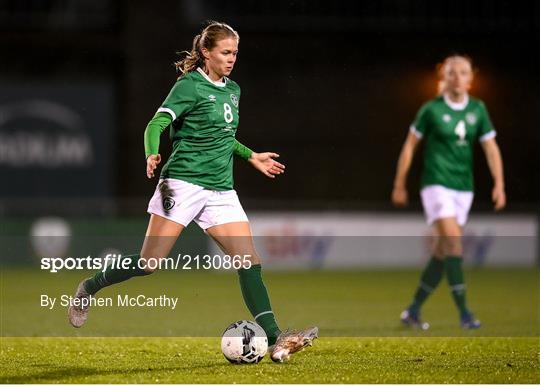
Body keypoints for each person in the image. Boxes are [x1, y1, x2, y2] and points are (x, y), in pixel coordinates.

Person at [68, 21, 317, 362]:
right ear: (206, 52)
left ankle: (276, 338)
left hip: (221, 190)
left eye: (235, 53)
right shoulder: (189, 86)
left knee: (249, 261)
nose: (232, 59)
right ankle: (89, 288)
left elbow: (223, 136)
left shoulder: (233, 91)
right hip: (182, 183)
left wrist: (251, 156)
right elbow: (156, 123)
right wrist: (151, 153)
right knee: (148, 263)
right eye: (225, 52)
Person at [391, 55, 506, 329]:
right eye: (452, 73)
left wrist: (499, 184)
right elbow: (409, 147)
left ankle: (413, 311)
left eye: (463, 72)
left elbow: (491, 149)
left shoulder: (478, 109)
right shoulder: (431, 109)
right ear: (445, 77)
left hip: (463, 189)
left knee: (444, 252)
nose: (457, 77)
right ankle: (465, 314)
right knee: (454, 242)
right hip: (436, 184)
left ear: (471, 78)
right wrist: (399, 183)